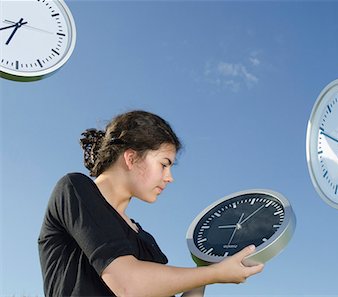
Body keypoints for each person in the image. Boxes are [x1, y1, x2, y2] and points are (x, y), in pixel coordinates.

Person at [38, 110, 264, 297]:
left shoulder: (144, 238)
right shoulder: (74, 189)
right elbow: (127, 284)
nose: (169, 177)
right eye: (164, 164)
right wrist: (215, 273)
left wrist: (205, 265)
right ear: (131, 158)